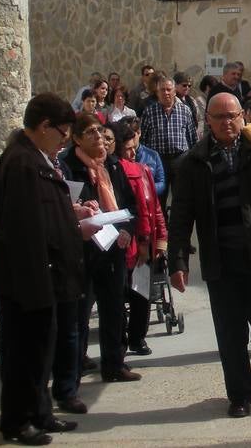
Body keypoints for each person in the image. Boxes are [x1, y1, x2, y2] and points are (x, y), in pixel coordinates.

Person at [169, 93, 251, 418]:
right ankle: (239, 395)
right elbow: (182, 215)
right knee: (230, 331)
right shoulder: (192, 162)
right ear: (208, 121)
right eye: (220, 117)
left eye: (233, 116)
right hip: (222, 258)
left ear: (243, 116)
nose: (227, 122)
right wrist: (178, 261)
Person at [0, 94, 92, 445]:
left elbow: (46, 215)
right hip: (30, 281)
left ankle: (41, 414)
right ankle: (18, 422)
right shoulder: (23, 164)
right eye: (63, 131)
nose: (65, 138)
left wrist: (70, 219)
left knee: (41, 352)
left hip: (45, 278)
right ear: (45, 126)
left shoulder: (37, 160)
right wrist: (38, 286)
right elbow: (24, 230)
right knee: (24, 355)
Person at [61, 115, 140, 381]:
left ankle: (114, 364)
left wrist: (127, 231)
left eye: (100, 132)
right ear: (77, 139)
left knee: (114, 307)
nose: (98, 138)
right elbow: (65, 204)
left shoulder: (113, 166)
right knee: (80, 311)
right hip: (84, 248)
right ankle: (75, 366)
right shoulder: (68, 167)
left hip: (112, 247)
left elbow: (130, 204)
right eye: (91, 132)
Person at [111, 119, 168, 358]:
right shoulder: (116, 172)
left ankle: (137, 337)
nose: (133, 152)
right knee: (124, 294)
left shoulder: (144, 170)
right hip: (127, 241)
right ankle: (122, 340)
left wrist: (161, 241)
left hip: (144, 242)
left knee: (142, 293)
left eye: (134, 147)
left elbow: (154, 209)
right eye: (127, 148)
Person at [139, 76, 197, 216]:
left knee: (180, 198)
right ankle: (161, 229)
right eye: (162, 90)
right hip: (158, 161)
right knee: (159, 198)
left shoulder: (185, 111)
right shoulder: (149, 112)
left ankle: (177, 228)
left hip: (180, 160)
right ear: (157, 92)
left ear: (174, 91)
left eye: (169, 90)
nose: (166, 93)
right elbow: (143, 139)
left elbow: (192, 138)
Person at [174, 71, 203, 137]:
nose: (187, 88)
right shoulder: (172, 101)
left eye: (189, 86)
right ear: (175, 85)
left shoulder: (191, 100)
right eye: (184, 85)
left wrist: (198, 132)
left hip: (194, 134)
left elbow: (199, 118)